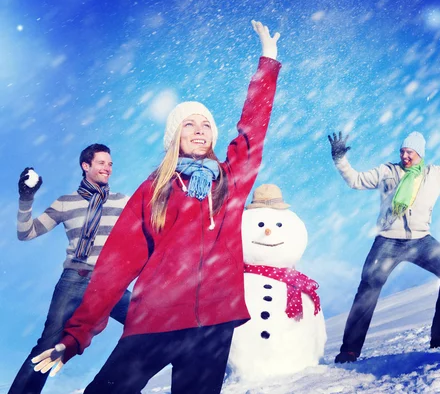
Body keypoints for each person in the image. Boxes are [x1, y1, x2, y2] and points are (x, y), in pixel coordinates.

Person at [30, 20, 281, 394]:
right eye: (188, 124)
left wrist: (268, 62)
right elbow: (113, 269)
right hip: (155, 320)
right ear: (174, 137)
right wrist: (76, 336)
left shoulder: (230, 180)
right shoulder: (153, 191)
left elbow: (252, 128)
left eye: (206, 125)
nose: (199, 129)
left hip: (212, 324)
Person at [328, 114, 440, 363]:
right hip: (387, 240)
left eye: (411, 153)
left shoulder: (435, 174)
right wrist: (340, 158)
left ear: (421, 154)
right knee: (368, 286)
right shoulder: (387, 171)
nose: (405, 156)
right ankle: (350, 350)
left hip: (421, 241)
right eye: (403, 151)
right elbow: (355, 180)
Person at [9, 144, 131, 394]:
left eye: (110, 164)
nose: (107, 168)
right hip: (75, 280)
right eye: (101, 163)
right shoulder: (66, 203)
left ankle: (121, 386)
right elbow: (26, 233)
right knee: (49, 344)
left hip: (109, 282)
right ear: (86, 166)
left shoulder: (122, 202)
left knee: (146, 325)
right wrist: (26, 198)